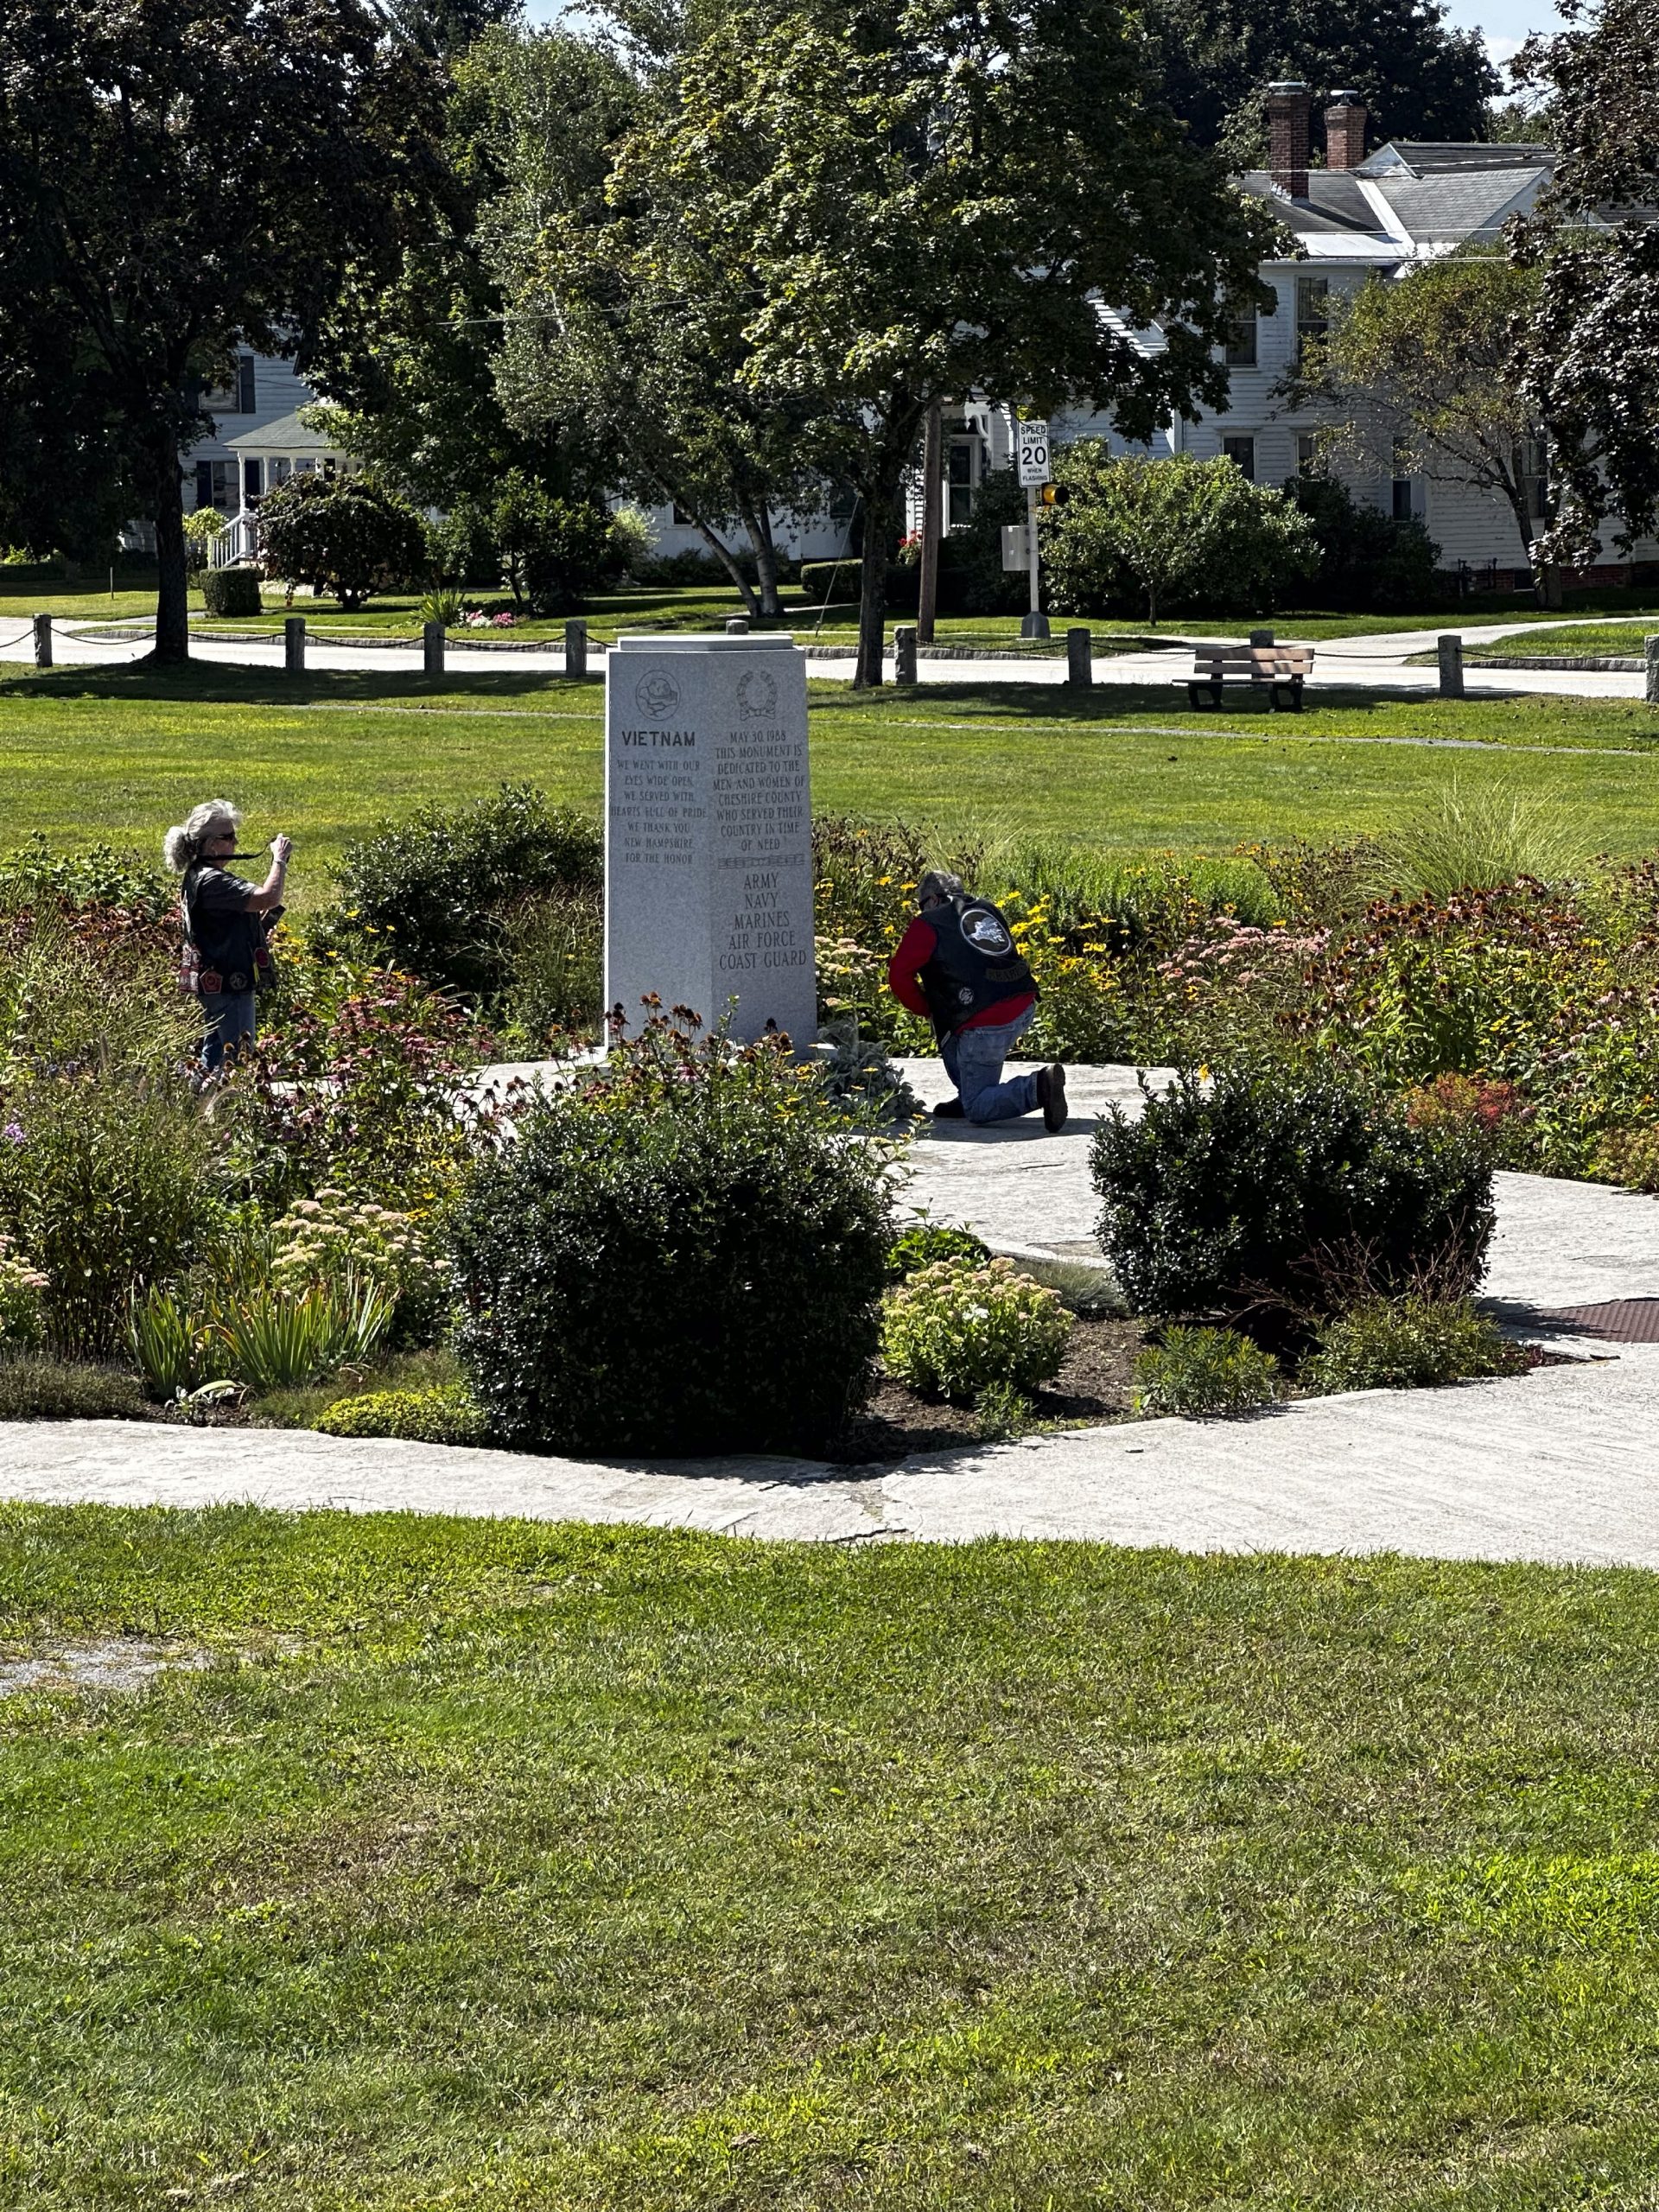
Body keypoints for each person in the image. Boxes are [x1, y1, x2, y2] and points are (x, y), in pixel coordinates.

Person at [887, 870, 1067, 1130]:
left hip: (986, 1022)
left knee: (978, 1108)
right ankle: (970, 1090)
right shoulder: (987, 908)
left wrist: (926, 1009)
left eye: (921, 904)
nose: (921, 911)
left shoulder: (928, 924)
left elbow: (899, 977)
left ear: (934, 900)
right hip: (1023, 1004)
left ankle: (1038, 1087)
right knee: (951, 1023)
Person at [162, 800, 291, 1072]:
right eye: (229, 837)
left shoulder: (199, 875)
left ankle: (199, 1106)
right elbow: (268, 896)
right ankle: (229, 1111)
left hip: (215, 982)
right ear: (210, 845)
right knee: (240, 1059)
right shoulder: (213, 881)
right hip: (228, 984)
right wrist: (279, 859)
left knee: (217, 1052)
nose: (236, 842)